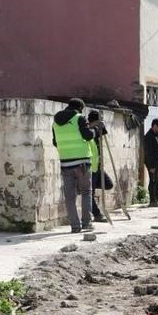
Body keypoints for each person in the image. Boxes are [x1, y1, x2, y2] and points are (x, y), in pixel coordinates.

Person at [52, 98, 96, 233]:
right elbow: (88, 136)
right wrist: (95, 131)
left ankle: (75, 226)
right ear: (80, 108)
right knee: (86, 192)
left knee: (70, 197)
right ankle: (87, 223)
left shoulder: (55, 122)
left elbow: (55, 142)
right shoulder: (80, 118)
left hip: (66, 163)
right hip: (82, 163)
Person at [87, 111, 113, 223]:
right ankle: (97, 214)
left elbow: (104, 133)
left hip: (98, 165)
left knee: (108, 184)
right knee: (90, 193)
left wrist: (101, 126)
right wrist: (94, 125)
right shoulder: (87, 130)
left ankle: (86, 189)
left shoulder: (96, 130)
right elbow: (87, 129)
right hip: (91, 166)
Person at [144, 119, 158, 207]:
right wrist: (151, 166)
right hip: (152, 164)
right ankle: (152, 201)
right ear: (154, 126)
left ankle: (156, 198)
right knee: (153, 182)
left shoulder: (157, 136)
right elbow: (147, 153)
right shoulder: (149, 137)